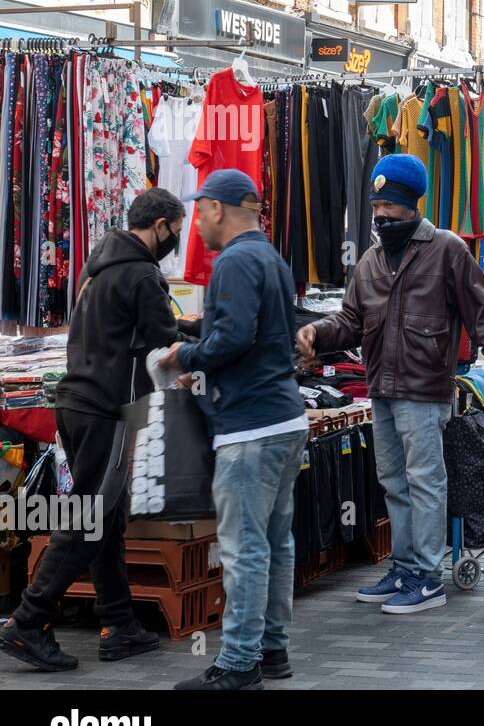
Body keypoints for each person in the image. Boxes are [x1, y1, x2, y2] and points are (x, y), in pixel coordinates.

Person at [298, 154, 484, 616]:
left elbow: (483, 309)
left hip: (424, 387)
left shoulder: (447, 249)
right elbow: (352, 320)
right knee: (394, 482)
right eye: (376, 206)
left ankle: (426, 576)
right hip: (382, 387)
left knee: (425, 481)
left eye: (389, 207)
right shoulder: (371, 260)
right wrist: (317, 334)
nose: (381, 215)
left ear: (410, 205)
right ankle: (403, 566)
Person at [0, 189, 192, 673]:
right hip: (108, 408)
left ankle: (118, 621)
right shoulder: (143, 273)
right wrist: (216, 336)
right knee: (90, 514)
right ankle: (28, 620)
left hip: (74, 402)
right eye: (177, 227)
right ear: (161, 225)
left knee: (105, 516)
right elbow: (165, 343)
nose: (177, 238)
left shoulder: (98, 265)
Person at [159, 170, 307, 691]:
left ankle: (239, 664)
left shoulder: (235, 262)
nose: (196, 224)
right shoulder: (270, 258)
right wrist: (199, 333)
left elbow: (234, 339)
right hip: (285, 419)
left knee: (244, 547)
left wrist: (187, 355)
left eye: (200, 212)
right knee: (274, 541)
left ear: (219, 209)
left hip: (251, 426)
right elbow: (273, 332)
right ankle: (272, 649)